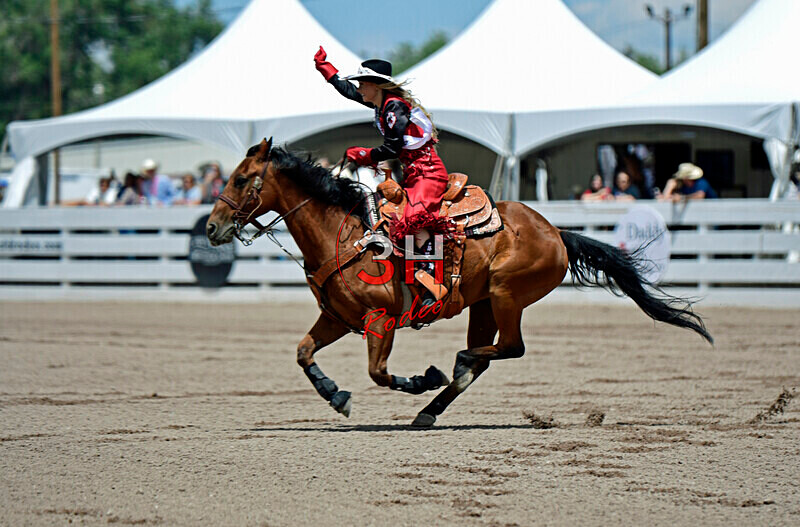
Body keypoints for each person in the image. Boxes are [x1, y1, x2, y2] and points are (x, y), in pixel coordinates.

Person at [314, 47, 450, 256]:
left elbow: (393, 147)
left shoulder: (394, 106)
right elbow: (349, 91)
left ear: (375, 85)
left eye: (361, 84)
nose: (358, 88)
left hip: (428, 173)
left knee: (413, 220)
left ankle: (433, 270)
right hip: (413, 173)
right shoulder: (382, 103)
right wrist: (326, 69)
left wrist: (365, 155)